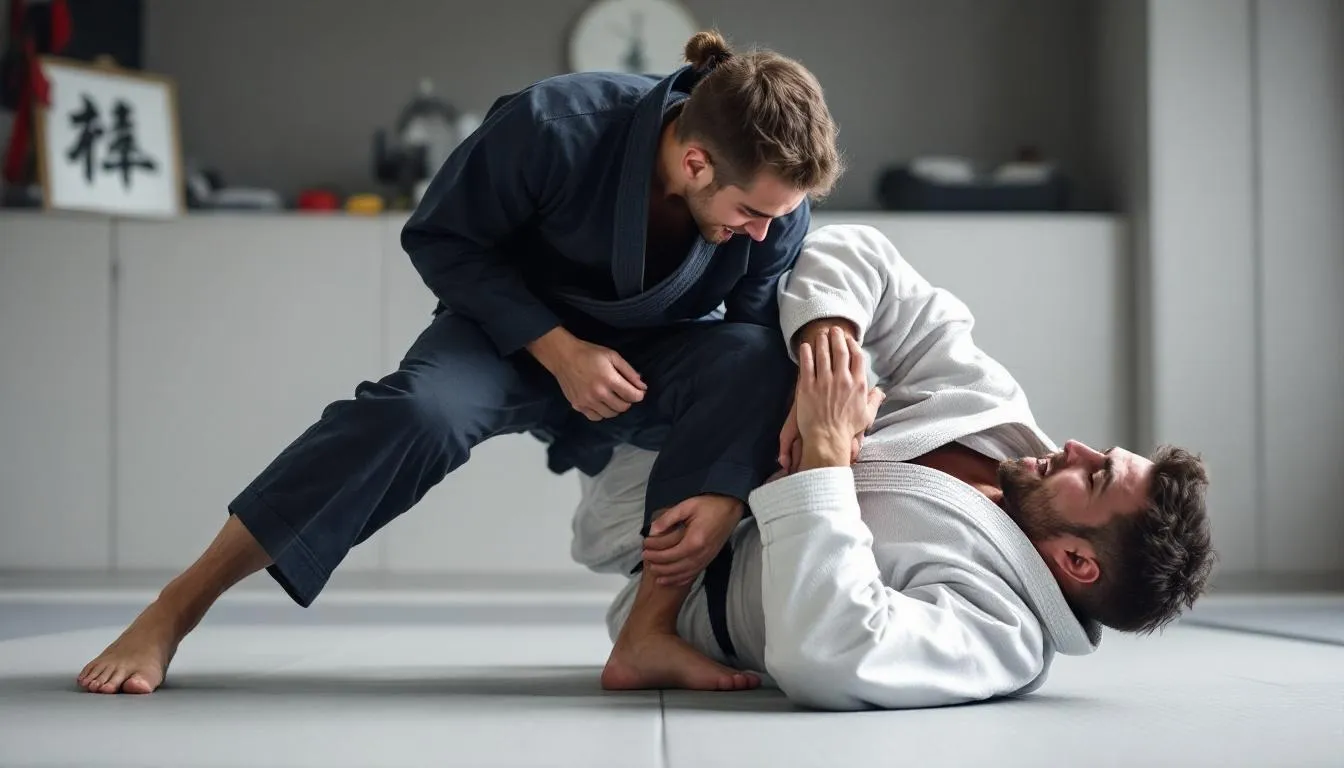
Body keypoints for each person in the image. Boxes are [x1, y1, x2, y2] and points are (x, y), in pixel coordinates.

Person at [75, 31, 843, 695]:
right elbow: (442, 240)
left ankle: (646, 636)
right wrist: (557, 347)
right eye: (750, 215)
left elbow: (748, 328)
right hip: (506, 334)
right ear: (698, 162)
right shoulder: (555, 124)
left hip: (646, 352)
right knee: (416, 412)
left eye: (774, 219)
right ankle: (173, 610)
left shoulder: (776, 206)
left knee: (753, 358)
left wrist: (725, 482)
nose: (759, 233)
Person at [572, 223, 1217, 708]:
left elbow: (831, 656)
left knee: (744, 356)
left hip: (665, 572)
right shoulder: (992, 416)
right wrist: (832, 345)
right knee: (769, 240)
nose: (1078, 447)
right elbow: (869, 257)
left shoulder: (1001, 637)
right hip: (668, 426)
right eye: (1104, 452)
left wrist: (825, 450)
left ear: (1079, 562)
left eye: (1096, 476)